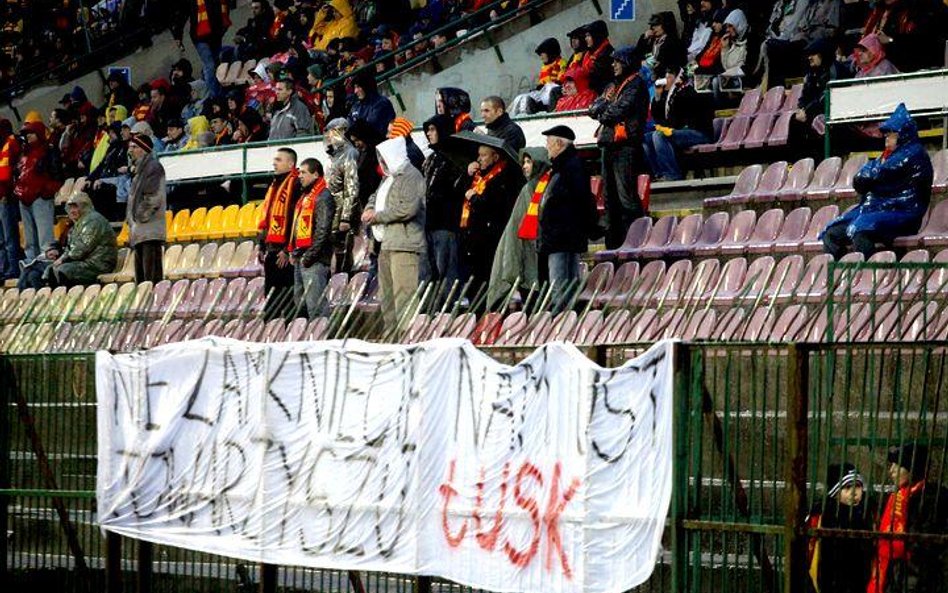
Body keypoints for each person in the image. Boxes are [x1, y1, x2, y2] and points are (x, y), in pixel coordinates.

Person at [821, 103, 932, 260]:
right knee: (831, 234)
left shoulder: (914, 153)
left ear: (903, 134)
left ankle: (874, 273)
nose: (887, 139)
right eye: (886, 135)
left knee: (860, 229)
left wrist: (868, 177)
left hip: (903, 212)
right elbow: (863, 178)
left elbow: (880, 173)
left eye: (891, 135)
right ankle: (839, 277)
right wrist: (866, 177)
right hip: (877, 210)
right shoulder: (887, 155)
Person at [361, 136, 426, 332]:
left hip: (405, 245)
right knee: (387, 300)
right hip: (385, 245)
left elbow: (408, 209)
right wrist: (369, 209)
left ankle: (407, 342)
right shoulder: (388, 178)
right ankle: (391, 341)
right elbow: (375, 197)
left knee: (404, 298)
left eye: (383, 158)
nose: (381, 162)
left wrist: (377, 217)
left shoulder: (411, 176)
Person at [589, 45, 649, 250]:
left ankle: (639, 240)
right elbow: (593, 107)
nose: (613, 65)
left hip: (626, 147)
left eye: (617, 61)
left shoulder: (636, 84)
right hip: (608, 144)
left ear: (627, 62)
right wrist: (604, 110)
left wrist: (603, 110)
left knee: (626, 197)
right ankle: (614, 244)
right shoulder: (612, 85)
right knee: (610, 199)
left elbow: (616, 111)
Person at [867, 443, 948, 593]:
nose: (891, 471)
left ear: (912, 469)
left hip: (919, 579)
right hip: (896, 576)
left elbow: (924, 548)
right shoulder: (899, 496)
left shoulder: (931, 499)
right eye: (891, 465)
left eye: (897, 466)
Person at [539, 125, 597, 312]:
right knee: (564, 282)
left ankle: (561, 320)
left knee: (561, 283)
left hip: (563, 236)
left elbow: (581, 199)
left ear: (559, 143)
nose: (547, 147)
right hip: (558, 235)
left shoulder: (572, 166)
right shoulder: (561, 167)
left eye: (548, 143)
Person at [486, 147, 549, 310]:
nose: (525, 166)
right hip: (527, 249)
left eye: (529, 162)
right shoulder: (529, 188)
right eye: (524, 162)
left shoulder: (539, 187)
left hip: (537, 250)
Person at [461, 144, 522, 294]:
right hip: (474, 237)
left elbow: (494, 205)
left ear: (495, 157)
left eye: (483, 155)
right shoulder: (478, 176)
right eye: (479, 155)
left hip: (491, 236)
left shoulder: (503, 176)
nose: (479, 159)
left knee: (489, 277)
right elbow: (458, 191)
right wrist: (467, 175)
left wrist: (474, 198)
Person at [805, 463, 873, 593]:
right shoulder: (822, 514)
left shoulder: (868, 511)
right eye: (847, 487)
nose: (854, 492)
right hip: (830, 575)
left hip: (860, 576)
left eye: (857, 486)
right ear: (835, 492)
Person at [421, 114, 465, 293]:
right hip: (429, 223)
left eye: (433, 130)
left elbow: (453, 190)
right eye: (427, 130)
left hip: (446, 223)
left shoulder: (455, 158)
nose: (429, 134)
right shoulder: (431, 159)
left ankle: (448, 310)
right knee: (432, 272)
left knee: (447, 271)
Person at [258, 147, 302, 320]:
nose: (274, 163)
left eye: (279, 160)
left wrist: (287, 249)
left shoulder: (296, 184)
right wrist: (261, 244)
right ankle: (272, 334)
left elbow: (296, 218)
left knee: (287, 299)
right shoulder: (275, 185)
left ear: (291, 164)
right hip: (272, 250)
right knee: (271, 299)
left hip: (285, 253)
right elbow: (267, 216)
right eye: (274, 160)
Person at [290, 158, 335, 319]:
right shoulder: (305, 197)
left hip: (314, 259)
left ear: (316, 174)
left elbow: (323, 230)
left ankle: (324, 341)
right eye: (299, 172)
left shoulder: (323, 196)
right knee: (301, 306)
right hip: (302, 256)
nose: (299, 176)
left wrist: (308, 257)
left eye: (303, 172)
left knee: (316, 307)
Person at [43, 192, 117, 288]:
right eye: (70, 208)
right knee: (48, 270)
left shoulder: (93, 220)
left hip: (98, 264)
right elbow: (70, 248)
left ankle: (68, 298)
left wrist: (63, 260)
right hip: (84, 262)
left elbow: (82, 247)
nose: (72, 211)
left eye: (75, 207)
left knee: (63, 271)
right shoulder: (79, 223)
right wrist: (61, 259)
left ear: (84, 206)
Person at [14, 121, 60, 262]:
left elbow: (57, 175)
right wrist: (18, 191)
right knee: (29, 241)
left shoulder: (49, 150)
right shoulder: (24, 153)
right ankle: (31, 268)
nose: (28, 136)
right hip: (24, 199)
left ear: (39, 133)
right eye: (26, 134)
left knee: (45, 239)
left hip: (41, 199)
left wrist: (45, 192)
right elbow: (18, 174)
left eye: (31, 133)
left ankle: (46, 268)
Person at [126, 133, 167, 283]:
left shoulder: (153, 167)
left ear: (144, 149)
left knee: (151, 279)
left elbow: (153, 198)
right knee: (142, 279)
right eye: (130, 147)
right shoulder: (139, 170)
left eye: (134, 147)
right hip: (140, 231)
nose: (130, 150)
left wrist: (137, 217)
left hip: (150, 230)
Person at [171, 0, 231, 100]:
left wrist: (222, 28)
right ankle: (214, 98)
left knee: (216, 64)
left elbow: (225, 8)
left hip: (215, 35)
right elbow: (181, 15)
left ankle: (217, 93)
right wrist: (178, 35)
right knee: (210, 65)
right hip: (199, 36)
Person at [324, 118, 362, 273]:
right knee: (335, 250)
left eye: (332, 132)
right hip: (332, 209)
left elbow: (352, 187)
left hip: (343, 212)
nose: (328, 137)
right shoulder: (333, 156)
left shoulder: (349, 154)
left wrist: (346, 217)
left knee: (345, 253)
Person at [509, 38, 568, 116]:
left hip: (555, 92)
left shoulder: (561, 62)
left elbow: (560, 81)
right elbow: (541, 84)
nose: (541, 57)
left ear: (550, 52)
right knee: (523, 98)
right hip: (544, 94)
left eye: (542, 53)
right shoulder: (544, 67)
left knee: (552, 89)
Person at [0, 118, 22, 281]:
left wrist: (7, 194)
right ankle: (3, 267)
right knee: (2, 238)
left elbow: (6, 175)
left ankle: (13, 267)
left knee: (9, 236)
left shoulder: (10, 144)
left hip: (5, 197)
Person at [637, 11, 686, 79]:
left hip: (663, 77)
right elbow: (637, 53)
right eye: (653, 25)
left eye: (657, 25)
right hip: (647, 74)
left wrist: (655, 67)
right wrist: (644, 39)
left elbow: (671, 64)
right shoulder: (651, 40)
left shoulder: (673, 42)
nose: (654, 28)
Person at [348, 71, 396, 138]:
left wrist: (357, 126)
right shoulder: (355, 106)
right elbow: (349, 127)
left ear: (367, 86)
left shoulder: (382, 103)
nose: (355, 91)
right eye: (355, 88)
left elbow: (372, 127)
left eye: (358, 87)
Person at [581, 20, 615, 95]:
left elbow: (595, 78)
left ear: (597, 36)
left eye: (589, 36)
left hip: (601, 91)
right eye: (585, 36)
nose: (586, 39)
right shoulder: (589, 53)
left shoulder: (607, 53)